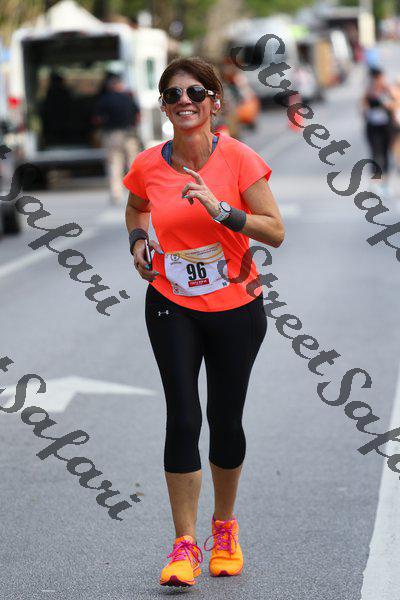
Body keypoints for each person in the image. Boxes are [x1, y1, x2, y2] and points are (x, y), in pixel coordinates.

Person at [123, 56, 285, 588]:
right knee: (183, 416)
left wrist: (220, 210)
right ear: (164, 107)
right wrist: (139, 241)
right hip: (172, 302)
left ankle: (225, 527)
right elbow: (136, 208)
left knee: (225, 417)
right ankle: (185, 544)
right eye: (173, 94)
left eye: (195, 92)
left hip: (237, 306)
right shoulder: (148, 164)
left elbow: (274, 230)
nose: (185, 102)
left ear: (215, 101)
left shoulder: (238, 158)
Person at [93, 74, 141, 204]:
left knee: (114, 164)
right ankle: (136, 192)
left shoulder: (104, 100)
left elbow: (97, 119)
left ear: (109, 86)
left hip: (112, 135)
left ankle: (116, 194)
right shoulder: (128, 98)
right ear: (120, 85)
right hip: (129, 134)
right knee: (132, 164)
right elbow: (138, 116)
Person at [362, 67, 395, 194]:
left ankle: (385, 183)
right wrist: (366, 110)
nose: (378, 80)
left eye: (380, 78)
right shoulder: (369, 91)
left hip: (386, 126)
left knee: (386, 153)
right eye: (376, 78)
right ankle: (375, 182)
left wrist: (388, 105)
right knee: (375, 153)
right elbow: (363, 106)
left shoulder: (387, 89)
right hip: (373, 126)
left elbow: (396, 102)